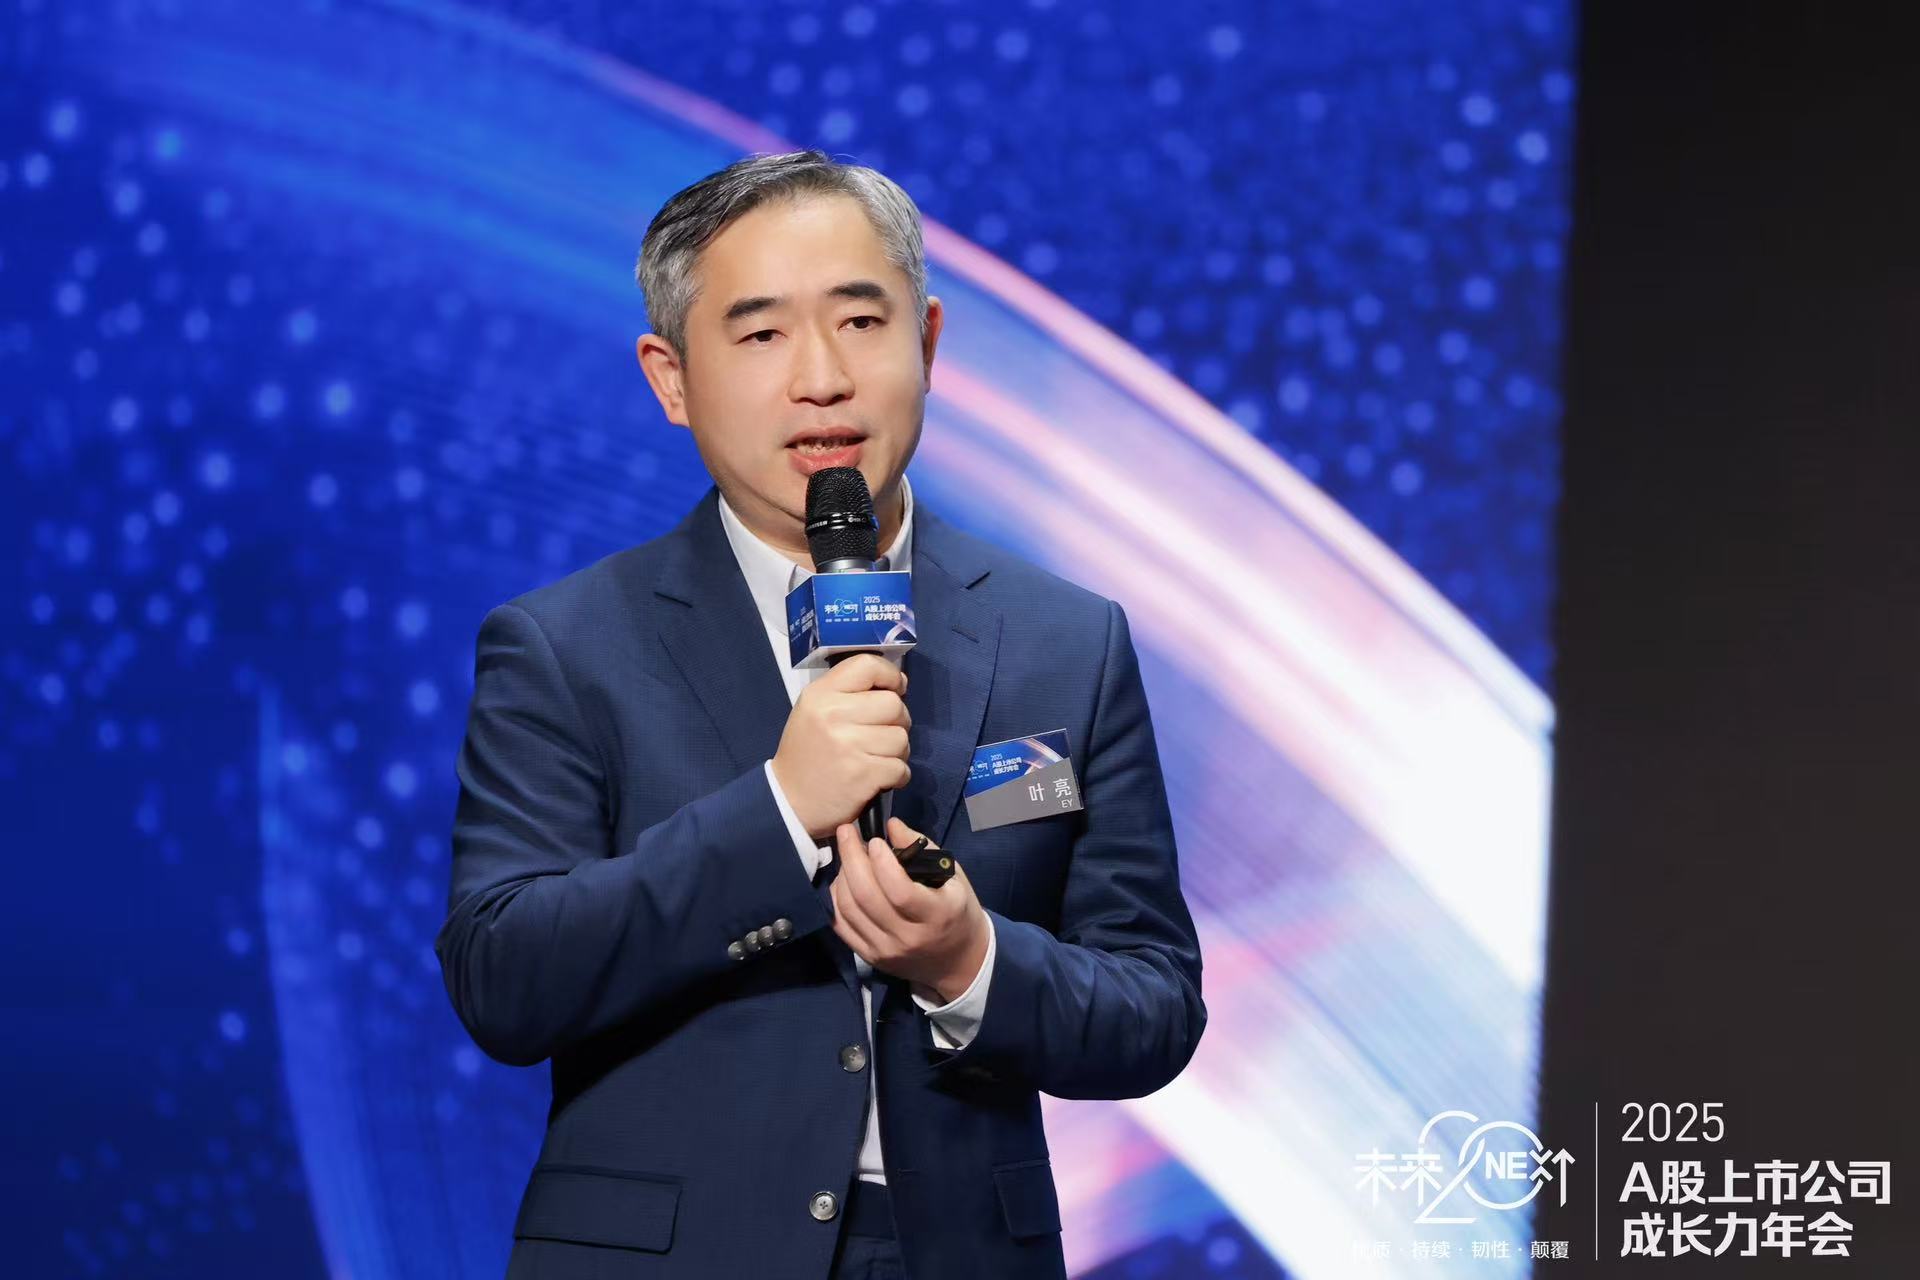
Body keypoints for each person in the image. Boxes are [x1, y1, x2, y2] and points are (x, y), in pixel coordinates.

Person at [436, 149, 1206, 1280]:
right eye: (761, 334)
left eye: (860, 322)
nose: (823, 378)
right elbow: (505, 978)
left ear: (928, 344)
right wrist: (781, 812)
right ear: (671, 379)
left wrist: (970, 960)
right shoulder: (567, 644)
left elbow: (1154, 1006)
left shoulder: (1066, 643)